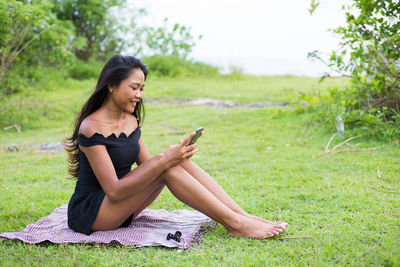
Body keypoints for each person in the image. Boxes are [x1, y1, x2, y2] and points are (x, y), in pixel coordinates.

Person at [65, 55, 288, 238]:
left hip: (122, 205)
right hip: (94, 212)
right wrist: (165, 160)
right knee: (167, 165)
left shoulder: (130, 119)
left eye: (142, 88)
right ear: (112, 86)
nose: (139, 95)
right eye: (134, 88)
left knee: (173, 162)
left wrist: (175, 156)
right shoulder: (91, 128)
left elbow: (146, 166)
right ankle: (235, 224)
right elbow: (114, 190)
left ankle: (242, 216)